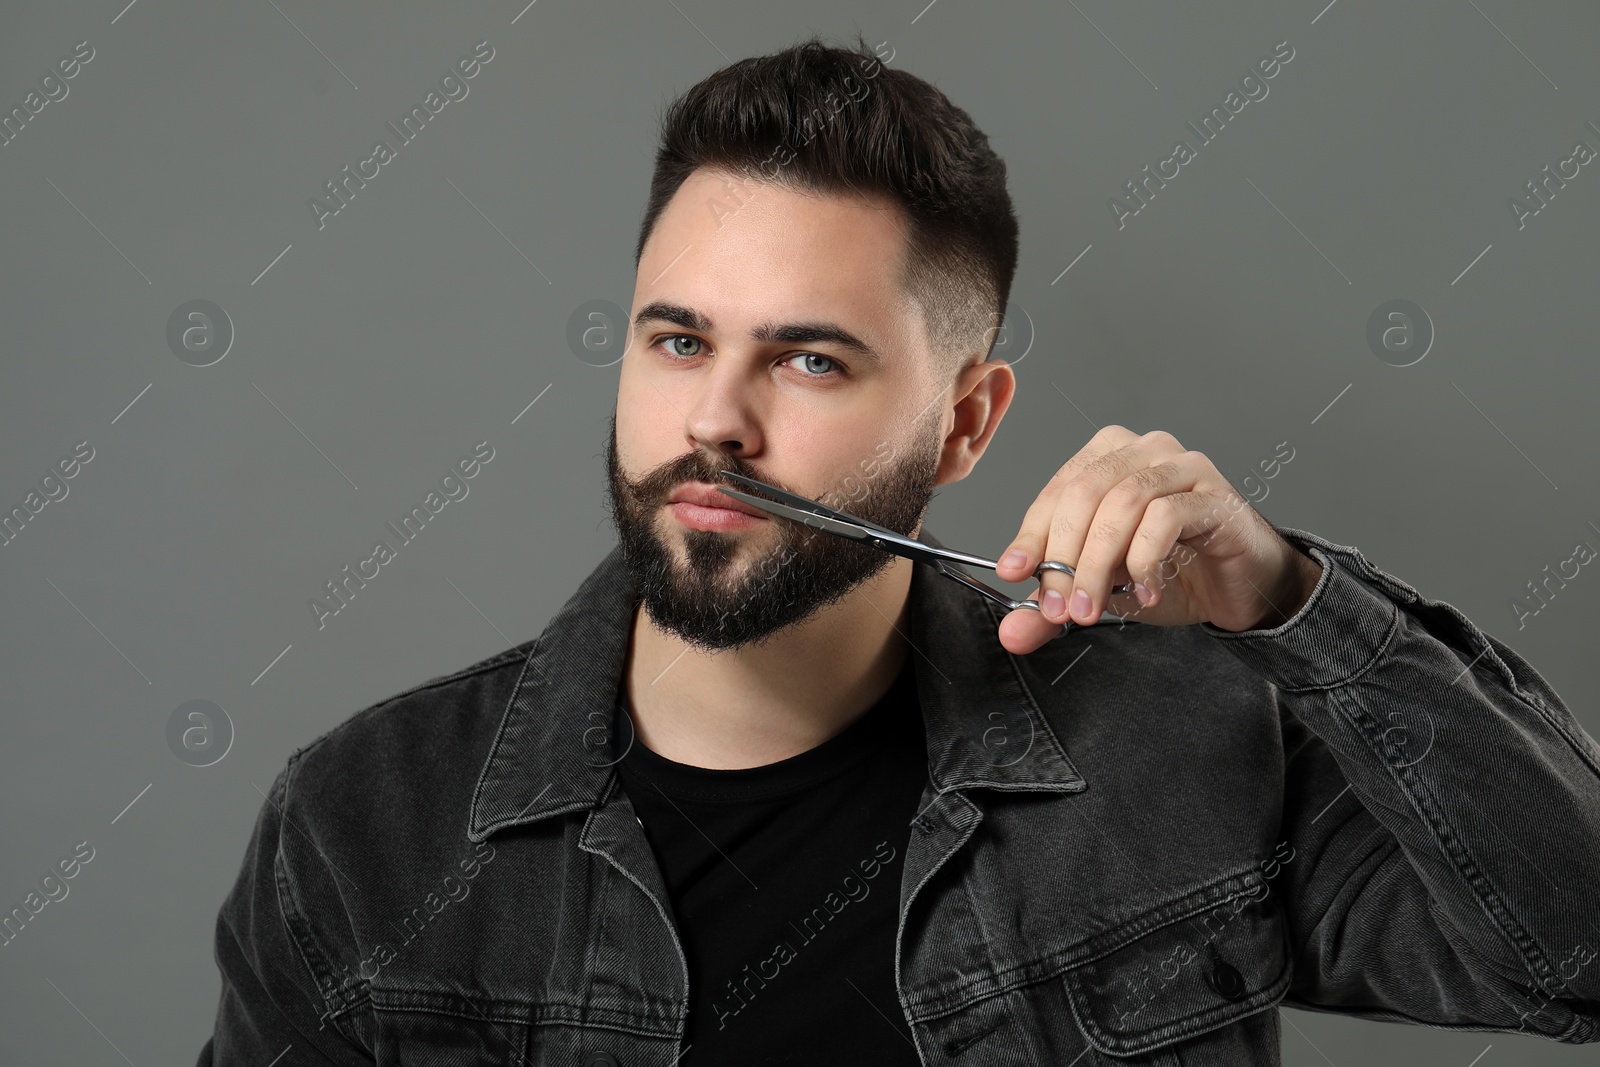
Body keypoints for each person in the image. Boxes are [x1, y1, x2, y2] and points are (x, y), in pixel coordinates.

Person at [199, 34, 1600, 1066]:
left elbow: (1577, 957)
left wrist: (1294, 605)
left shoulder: (1189, 758)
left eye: (810, 362)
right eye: (677, 340)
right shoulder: (362, 828)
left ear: (966, 423)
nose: (715, 426)